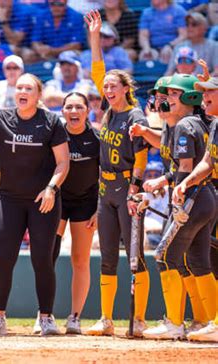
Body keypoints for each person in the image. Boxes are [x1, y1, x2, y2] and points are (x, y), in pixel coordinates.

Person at [0, 73, 70, 336]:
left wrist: (51, 189)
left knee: (42, 259)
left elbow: (63, 162)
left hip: (42, 201)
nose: (22, 91)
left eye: (28, 88)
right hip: (9, 200)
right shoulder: (0, 119)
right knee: (3, 258)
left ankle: (46, 317)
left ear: (38, 95)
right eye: (19, 87)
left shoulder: (51, 122)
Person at [83, 11, 150, 337]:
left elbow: (142, 155)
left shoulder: (134, 114)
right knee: (107, 257)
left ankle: (138, 320)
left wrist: (136, 190)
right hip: (105, 191)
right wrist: (94, 37)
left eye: (113, 86)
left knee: (134, 257)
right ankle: (107, 319)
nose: (107, 89)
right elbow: (98, 69)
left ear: (126, 89)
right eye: (105, 86)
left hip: (127, 189)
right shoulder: (110, 108)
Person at [130, 75, 212, 336]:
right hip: (204, 196)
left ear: (189, 97)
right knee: (198, 262)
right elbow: (181, 168)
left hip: (194, 197)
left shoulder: (186, 125)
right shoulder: (187, 122)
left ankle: (174, 324)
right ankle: (208, 322)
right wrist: (166, 181)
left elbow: (186, 168)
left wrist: (178, 190)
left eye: (174, 94)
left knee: (165, 256)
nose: (166, 99)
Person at [173, 76, 218, 343]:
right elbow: (208, 162)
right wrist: (187, 182)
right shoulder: (215, 125)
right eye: (202, 92)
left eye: (210, 91)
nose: (204, 96)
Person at [51, 91, 99, 334]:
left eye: (78, 107)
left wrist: (100, 209)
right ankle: (45, 315)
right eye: (68, 107)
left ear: (87, 110)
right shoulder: (55, 135)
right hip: (58, 201)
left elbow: (108, 176)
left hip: (86, 204)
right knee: (48, 255)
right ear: (62, 112)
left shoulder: (98, 138)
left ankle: (74, 317)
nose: (73, 112)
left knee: (80, 260)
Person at [165, 12, 218, 77]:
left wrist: (201, 82)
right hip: (183, 84)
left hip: (205, 84)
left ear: (204, 28)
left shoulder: (214, 46)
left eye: (194, 24)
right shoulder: (179, 47)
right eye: (187, 24)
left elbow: (217, 71)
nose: (189, 27)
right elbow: (170, 72)